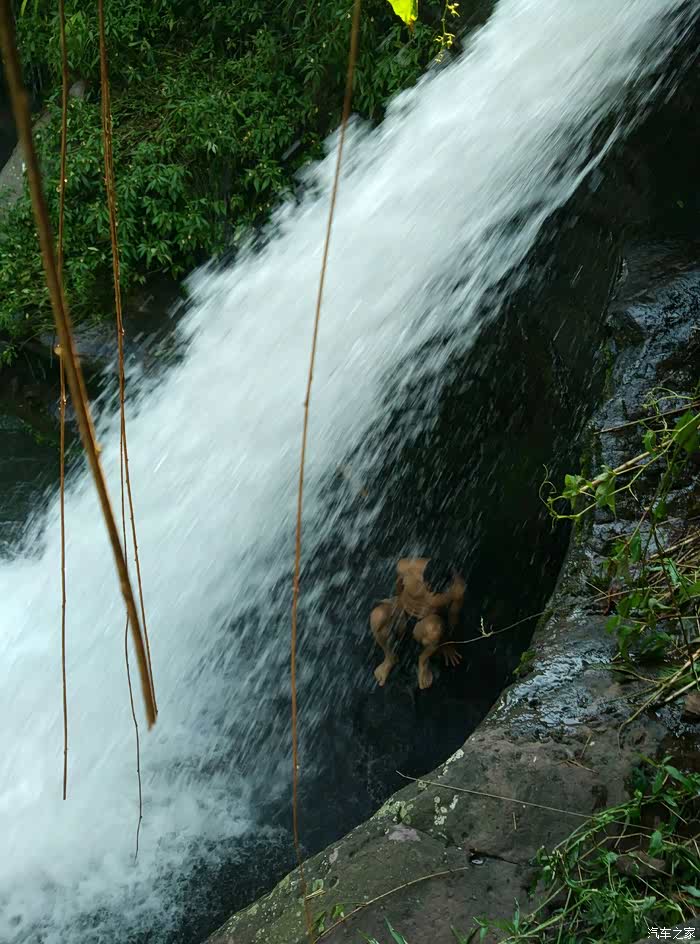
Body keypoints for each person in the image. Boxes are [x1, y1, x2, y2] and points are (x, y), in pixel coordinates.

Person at [370, 557, 465, 690]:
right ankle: (390, 657)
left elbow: (453, 616)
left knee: (435, 630)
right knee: (377, 616)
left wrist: (446, 642)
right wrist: (394, 601)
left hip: (425, 622)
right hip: (402, 612)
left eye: (436, 592)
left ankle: (423, 661)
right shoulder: (406, 567)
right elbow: (398, 585)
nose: (430, 591)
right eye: (429, 587)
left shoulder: (457, 590)